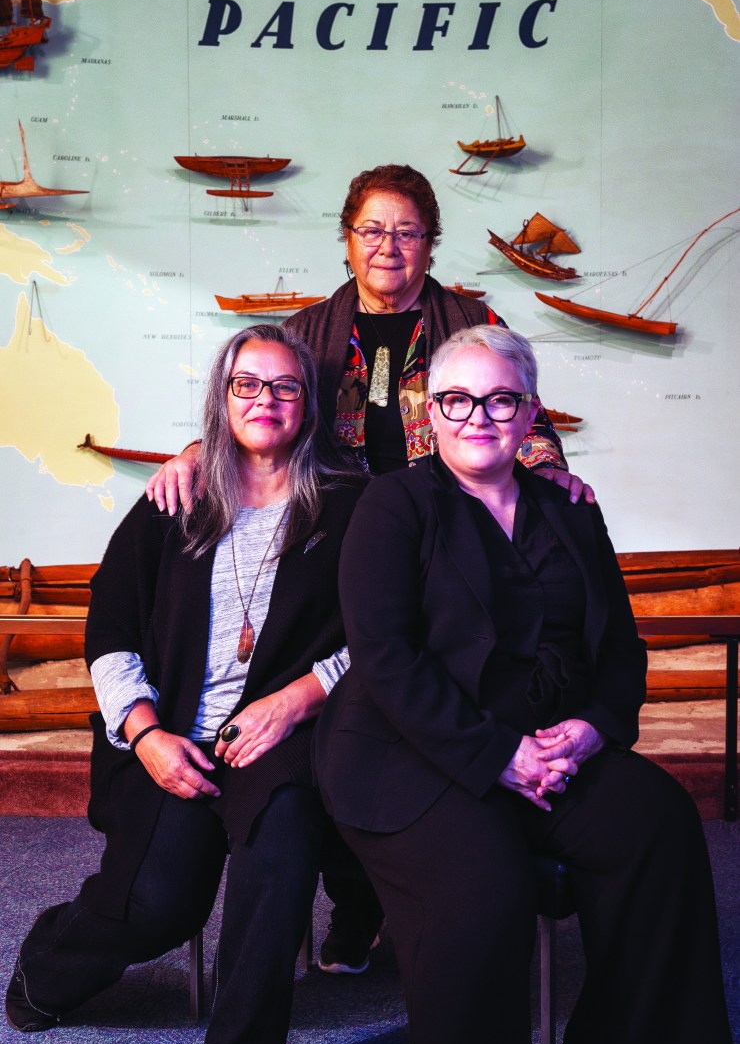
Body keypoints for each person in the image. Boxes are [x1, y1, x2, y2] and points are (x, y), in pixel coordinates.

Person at [146, 163, 594, 976]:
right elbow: (256, 409)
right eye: (373, 230)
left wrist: (547, 465)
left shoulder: (469, 315)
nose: (390, 246)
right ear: (348, 241)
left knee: (442, 699)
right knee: (349, 713)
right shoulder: (314, 329)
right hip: (344, 539)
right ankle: (358, 902)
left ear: (430, 243)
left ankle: (454, 886)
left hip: (453, 538)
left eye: (408, 231)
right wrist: (192, 450)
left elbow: (512, 407)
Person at [313, 324, 735, 1044]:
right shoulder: (392, 506)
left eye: (501, 401)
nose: (477, 417)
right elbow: (385, 659)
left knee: (657, 822)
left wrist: (598, 726)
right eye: (457, 400)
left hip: (551, 747)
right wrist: (497, 753)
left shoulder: (571, 508)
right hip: (413, 753)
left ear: (531, 410)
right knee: (487, 885)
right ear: (429, 410)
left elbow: (619, 647)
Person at [6, 324, 365, 1044]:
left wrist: (300, 697)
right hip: (172, 737)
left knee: (283, 846)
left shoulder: (351, 507)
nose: (265, 399)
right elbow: (109, 631)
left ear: (309, 402)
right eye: (247, 384)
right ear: (222, 398)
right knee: (156, 908)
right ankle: (46, 966)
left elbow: (386, 636)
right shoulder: (176, 500)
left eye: (285, 385)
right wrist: (145, 735)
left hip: (278, 742)